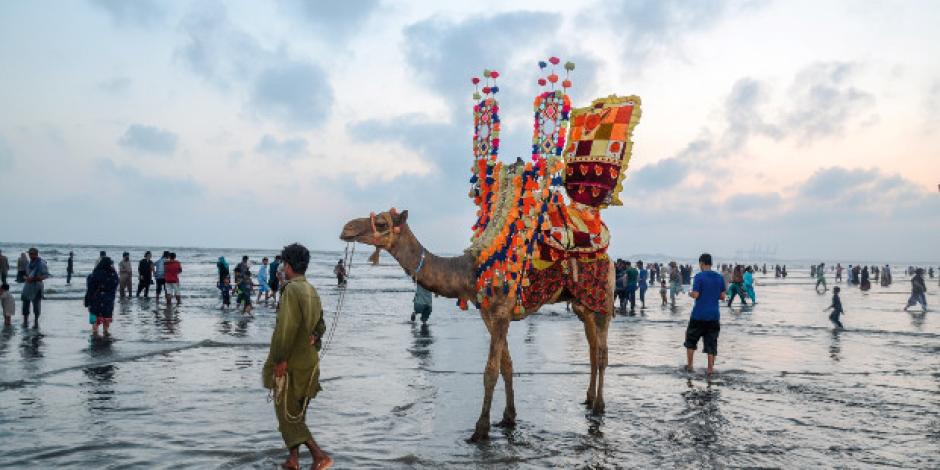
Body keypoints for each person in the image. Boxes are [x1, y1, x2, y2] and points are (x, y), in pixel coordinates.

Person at [262, 243, 332, 470]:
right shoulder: (310, 289)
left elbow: (286, 329)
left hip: (292, 363)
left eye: (283, 263)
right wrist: (314, 336)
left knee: (288, 415)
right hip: (309, 362)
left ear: (289, 265)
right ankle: (293, 460)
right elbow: (321, 324)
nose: (282, 267)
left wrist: (280, 359)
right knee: (295, 411)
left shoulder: (291, 289)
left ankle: (319, 456)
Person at [685, 253, 726, 376]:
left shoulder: (699, 276)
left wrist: (689, 293)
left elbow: (696, 295)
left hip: (699, 315)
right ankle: (710, 369)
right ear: (711, 263)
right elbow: (723, 296)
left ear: (702, 263)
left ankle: (690, 366)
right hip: (714, 315)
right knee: (711, 343)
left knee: (691, 339)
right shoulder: (719, 277)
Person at [85, 257, 119, 336]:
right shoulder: (113, 274)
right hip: (108, 301)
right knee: (106, 321)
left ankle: (95, 334)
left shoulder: (96, 273)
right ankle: (106, 334)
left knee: (95, 323)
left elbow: (90, 289)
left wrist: (88, 301)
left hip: (96, 301)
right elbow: (116, 284)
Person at [21, 248, 49, 328]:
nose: (30, 255)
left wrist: (34, 279)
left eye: (32, 253)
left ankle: (36, 321)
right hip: (27, 286)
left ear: (36, 254)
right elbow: (26, 274)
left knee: (36, 305)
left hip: (37, 287)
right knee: (25, 302)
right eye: (29, 253)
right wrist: (25, 277)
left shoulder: (42, 264)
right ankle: (25, 320)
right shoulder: (29, 263)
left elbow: (46, 275)